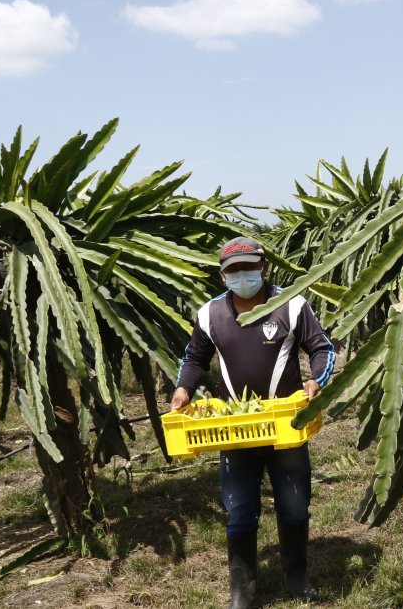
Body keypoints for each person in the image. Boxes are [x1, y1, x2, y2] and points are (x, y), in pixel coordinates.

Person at [171, 236, 336, 607]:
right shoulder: (210, 315)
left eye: (249, 267)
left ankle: (297, 577)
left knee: (294, 507)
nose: (242, 275)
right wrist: (183, 389)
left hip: (285, 427)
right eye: (234, 270)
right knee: (240, 510)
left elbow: (322, 347)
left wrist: (316, 379)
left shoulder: (290, 305)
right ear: (223, 275)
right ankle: (241, 591)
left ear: (264, 267)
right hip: (236, 430)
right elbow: (195, 358)